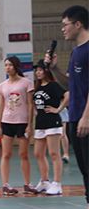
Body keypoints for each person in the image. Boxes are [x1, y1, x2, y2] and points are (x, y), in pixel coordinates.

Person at [46, 5, 89, 209]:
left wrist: (86, 116)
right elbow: (69, 85)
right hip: (75, 115)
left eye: (65, 25)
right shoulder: (76, 52)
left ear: (78, 24)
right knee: (84, 168)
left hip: (85, 118)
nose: (63, 29)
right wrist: (54, 69)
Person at [0, 56, 35, 196]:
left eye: (10, 65)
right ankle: (5, 185)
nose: (8, 68)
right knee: (6, 154)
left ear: (16, 66)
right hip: (7, 121)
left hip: (22, 122)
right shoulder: (2, 85)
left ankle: (27, 184)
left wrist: (29, 124)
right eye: (6, 65)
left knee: (23, 154)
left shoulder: (26, 83)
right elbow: (0, 106)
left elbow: (30, 104)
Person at [31, 60, 67, 195]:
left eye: (40, 70)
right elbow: (34, 103)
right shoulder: (37, 87)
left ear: (46, 71)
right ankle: (45, 181)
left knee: (54, 153)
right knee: (38, 153)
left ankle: (57, 184)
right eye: (36, 70)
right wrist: (36, 112)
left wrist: (58, 109)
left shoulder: (53, 85)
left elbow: (67, 95)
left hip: (53, 122)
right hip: (40, 123)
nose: (38, 72)